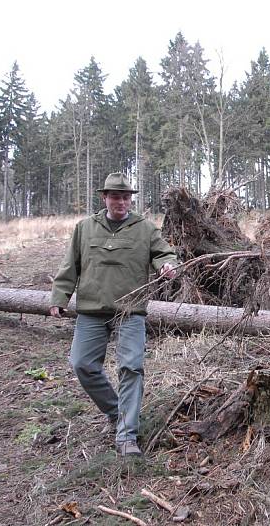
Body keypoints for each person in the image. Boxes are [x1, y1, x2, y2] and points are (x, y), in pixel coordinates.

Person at [49, 172, 179, 457]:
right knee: (82, 364)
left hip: (130, 311)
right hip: (92, 311)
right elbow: (70, 265)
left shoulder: (145, 228)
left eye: (125, 197)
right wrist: (60, 297)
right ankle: (117, 411)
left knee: (131, 367)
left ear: (130, 199)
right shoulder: (85, 228)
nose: (121, 202)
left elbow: (164, 254)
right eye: (115, 196)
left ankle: (127, 437)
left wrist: (167, 266)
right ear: (104, 198)